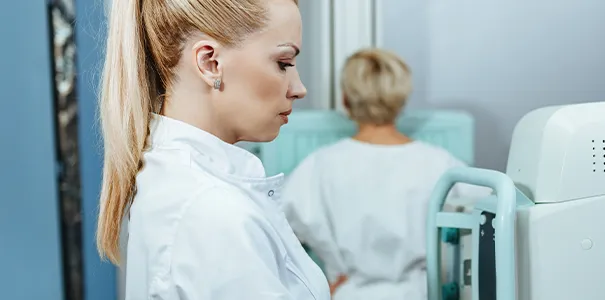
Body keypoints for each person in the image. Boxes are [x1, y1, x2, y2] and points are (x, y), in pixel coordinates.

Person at [94, 0, 330, 299]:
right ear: (210, 63)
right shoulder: (213, 212)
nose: (298, 88)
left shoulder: (176, 181)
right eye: (283, 63)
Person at [281, 48, 491, 300]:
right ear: (401, 100)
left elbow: (276, 232)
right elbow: (488, 219)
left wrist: (314, 286)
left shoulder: (319, 166)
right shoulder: (441, 165)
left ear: (346, 100)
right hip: (424, 293)